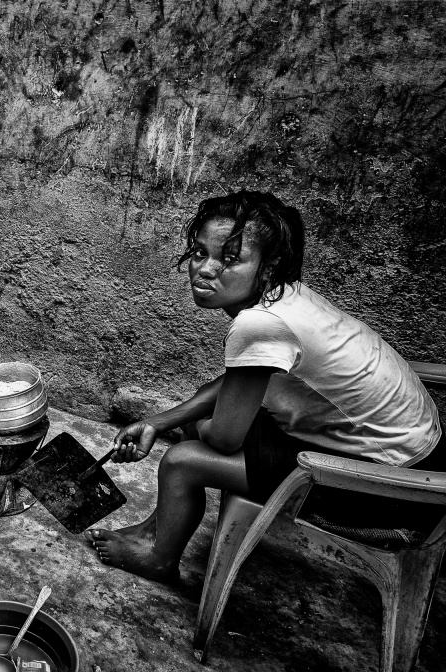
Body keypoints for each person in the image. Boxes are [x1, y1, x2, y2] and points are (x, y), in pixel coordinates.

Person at [86, 190, 442, 584]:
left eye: (230, 259)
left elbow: (222, 439)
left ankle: (158, 558)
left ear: (268, 268)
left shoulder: (258, 323)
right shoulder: (287, 296)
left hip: (392, 487)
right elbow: (239, 380)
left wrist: (200, 429)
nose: (205, 269)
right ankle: (158, 528)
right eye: (201, 252)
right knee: (195, 424)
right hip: (408, 446)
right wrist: (159, 421)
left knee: (183, 460)